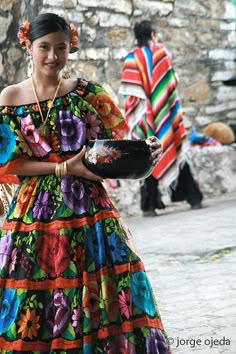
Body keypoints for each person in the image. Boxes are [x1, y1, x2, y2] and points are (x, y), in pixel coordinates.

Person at [0, 13, 171, 353]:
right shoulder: (10, 98)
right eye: (44, 47)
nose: (52, 56)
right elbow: (9, 163)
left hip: (90, 210)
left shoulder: (88, 93)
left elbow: (114, 147)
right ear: (28, 47)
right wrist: (65, 167)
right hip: (34, 216)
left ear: (70, 47)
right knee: (34, 298)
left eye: (60, 48)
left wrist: (144, 150)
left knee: (105, 288)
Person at [119, 20, 203, 217]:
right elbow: (171, 83)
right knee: (171, 147)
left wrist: (142, 113)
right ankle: (194, 198)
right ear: (152, 34)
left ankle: (149, 206)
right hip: (164, 113)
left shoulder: (130, 59)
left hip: (143, 119)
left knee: (147, 157)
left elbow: (130, 97)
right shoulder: (162, 54)